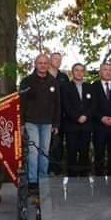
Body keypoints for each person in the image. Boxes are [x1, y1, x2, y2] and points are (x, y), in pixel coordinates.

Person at [20, 54, 61, 192]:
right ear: (35, 64)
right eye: (40, 63)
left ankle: (43, 179)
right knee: (33, 151)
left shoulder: (53, 82)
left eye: (45, 63)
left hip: (48, 122)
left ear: (48, 64)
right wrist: (21, 123)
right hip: (31, 121)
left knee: (44, 151)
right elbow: (22, 103)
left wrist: (56, 124)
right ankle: (32, 181)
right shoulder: (27, 81)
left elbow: (57, 104)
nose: (43, 65)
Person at [61, 63, 95, 176]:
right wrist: (76, 117)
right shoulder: (66, 87)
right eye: (76, 70)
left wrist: (85, 116)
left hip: (86, 126)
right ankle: (72, 177)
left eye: (81, 70)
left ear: (84, 72)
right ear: (72, 72)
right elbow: (66, 105)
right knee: (71, 152)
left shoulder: (89, 87)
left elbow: (93, 105)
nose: (79, 73)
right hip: (71, 126)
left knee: (84, 152)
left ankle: (84, 177)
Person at [47, 52, 70, 175]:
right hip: (45, 115)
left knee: (58, 143)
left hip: (61, 116)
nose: (57, 61)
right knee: (46, 144)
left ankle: (57, 169)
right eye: (55, 59)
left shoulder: (64, 77)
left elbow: (67, 97)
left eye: (59, 59)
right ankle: (47, 169)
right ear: (50, 60)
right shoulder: (43, 75)